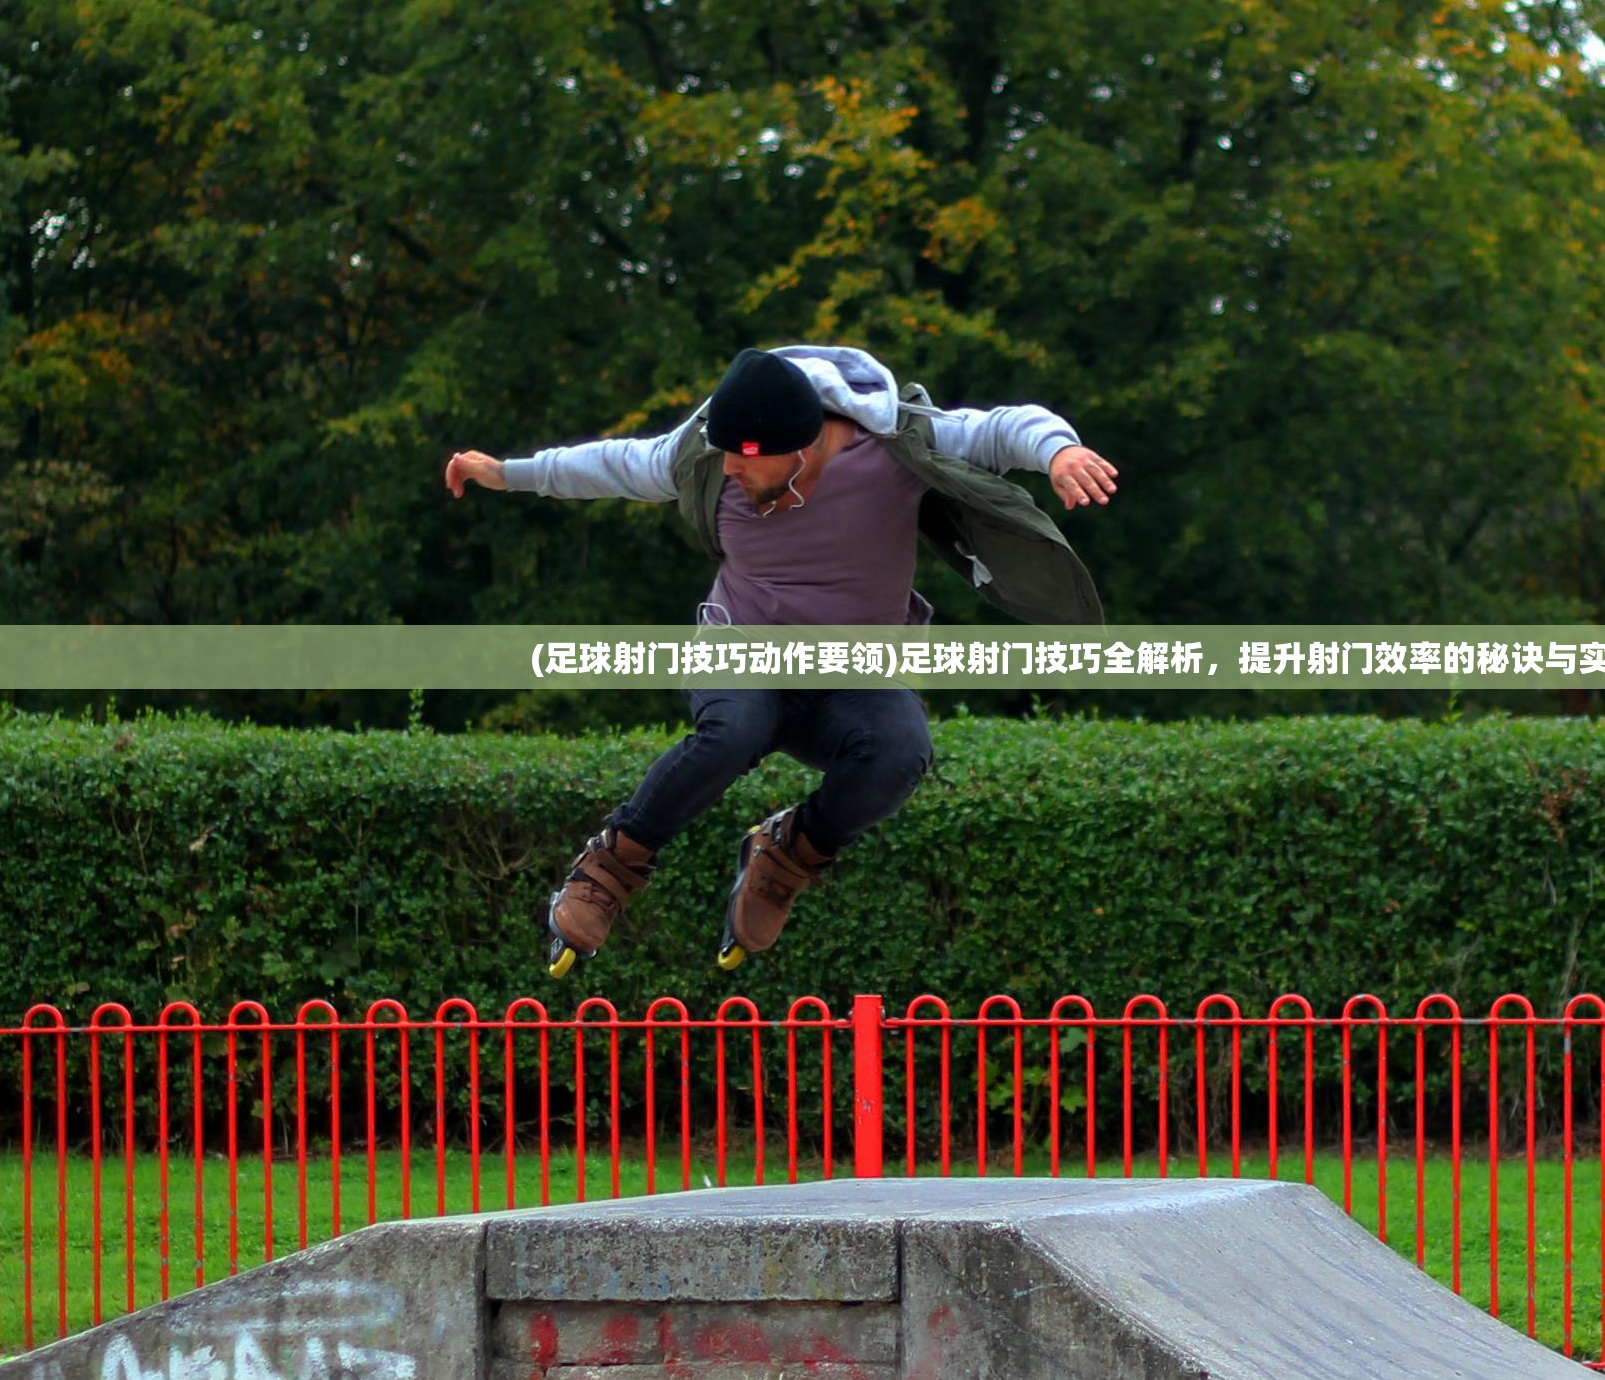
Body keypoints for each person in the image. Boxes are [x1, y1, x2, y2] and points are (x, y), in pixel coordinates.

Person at [444, 344, 1120, 975]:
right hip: (744, 648)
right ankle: (614, 863)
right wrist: (507, 474)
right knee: (730, 733)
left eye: (744, 460)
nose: (730, 472)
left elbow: (1003, 428)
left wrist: (1057, 453)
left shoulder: (895, 446)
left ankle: (789, 855)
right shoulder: (708, 458)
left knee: (901, 751)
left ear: (799, 448)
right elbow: (617, 464)